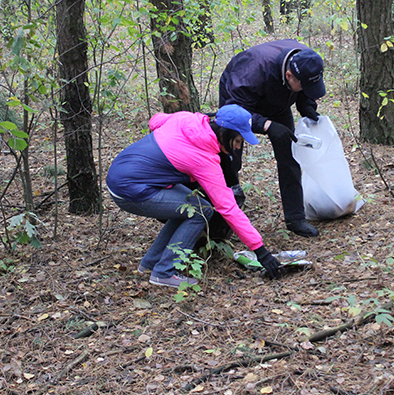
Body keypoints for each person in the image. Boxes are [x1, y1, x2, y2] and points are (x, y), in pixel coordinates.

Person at [106, 104, 284, 288]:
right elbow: (228, 207)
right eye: (238, 140)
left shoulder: (187, 119)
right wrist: (261, 251)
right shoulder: (204, 159)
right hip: (129, 190)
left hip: (120, 172)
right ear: (225, 133)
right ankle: (164, 272)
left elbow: (155, 121)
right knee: (202, 211)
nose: (238, 147)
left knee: (190, 206)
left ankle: (150, 263)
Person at [218, 39, 325, 237]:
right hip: (238, 104)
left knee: (289, 154)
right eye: (303, 86)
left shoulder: (306, 60)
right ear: (289, 75)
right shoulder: (251, 71)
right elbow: (236, 109)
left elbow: (306, 86)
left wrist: (307, 105)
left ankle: (296, 218)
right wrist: (267, 125)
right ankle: (225, 218)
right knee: (231, 157)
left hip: (278, 100)